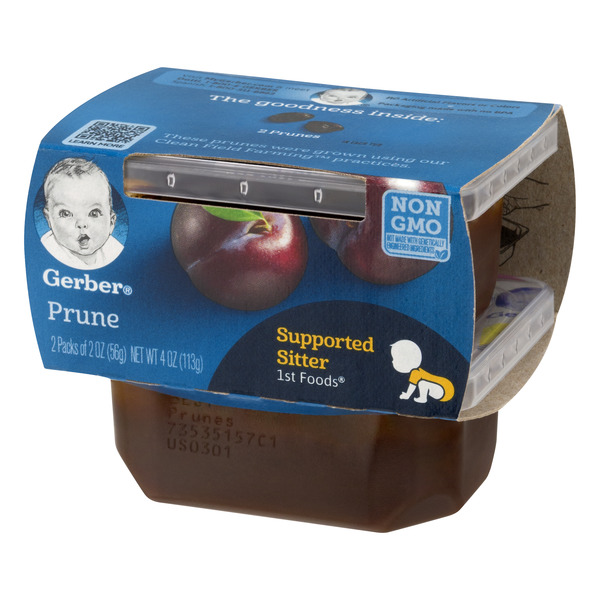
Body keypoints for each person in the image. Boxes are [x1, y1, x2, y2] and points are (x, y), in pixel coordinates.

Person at [41, 158, 123, 269]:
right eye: (66, 213)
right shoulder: (49, 251)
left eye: (94, 213)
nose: (81, 224)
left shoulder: (114, 249)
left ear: (111, 222)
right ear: (49, 220)